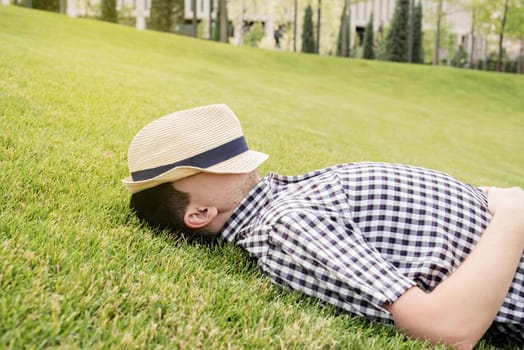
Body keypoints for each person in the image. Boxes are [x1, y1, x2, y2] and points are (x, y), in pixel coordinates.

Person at [123, 104, 524, 349]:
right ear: (198, 214)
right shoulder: (285, 224)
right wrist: (512, 215)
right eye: (207, 160)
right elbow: (447, 329)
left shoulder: (287, 197)